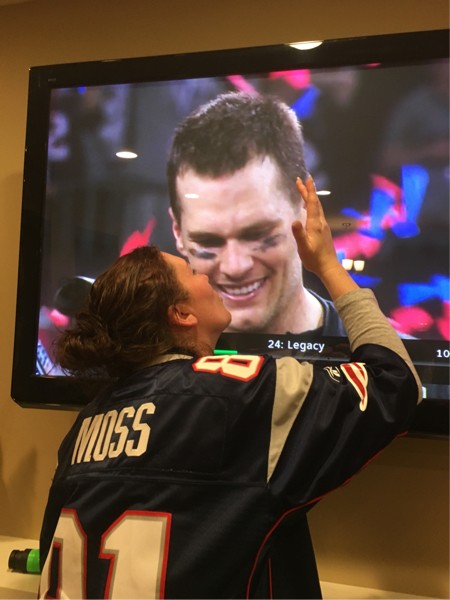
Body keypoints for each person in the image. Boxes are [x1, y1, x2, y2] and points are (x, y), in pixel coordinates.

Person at [37, 177, 421, 599]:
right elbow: (395, 383)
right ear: (181, 313)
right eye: (193, 271)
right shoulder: (242, 391)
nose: (213, 275)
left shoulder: (84, 426)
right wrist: (329, 265)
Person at [167, 91, 346, 336]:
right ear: (178, 232)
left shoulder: (377, 353)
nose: (235, 267)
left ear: (306, 209)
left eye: (257, 235)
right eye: (209, 242)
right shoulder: (145, 354)